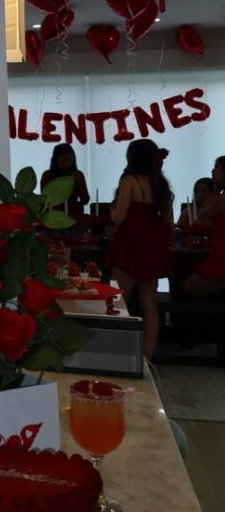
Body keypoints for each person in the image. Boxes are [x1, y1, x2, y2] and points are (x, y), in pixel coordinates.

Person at [109, 139, 173, 359]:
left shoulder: (130, 180)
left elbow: (118, 218)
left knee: (117, 300)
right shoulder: (160, 184)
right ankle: (147, 356)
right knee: (149, 304)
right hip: (152, 247)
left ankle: (117, 353)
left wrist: (111, 211)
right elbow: (169, 222)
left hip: (130, 245)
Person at [184, 156, 225, 295]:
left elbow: (201, 214)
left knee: (189, 286)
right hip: (219, 251)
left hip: (222, 254)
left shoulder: (221, 199)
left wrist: (215, 190)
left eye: (217, 167)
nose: (213, 171)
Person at [40, 143, 90, 217]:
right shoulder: (47, 175)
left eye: (71, 160)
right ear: (56, 160)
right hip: (53, 217)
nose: (68, 164)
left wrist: (78, 183)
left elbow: (85, 200)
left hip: (73, 217)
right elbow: (45, 200)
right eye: (64, 160)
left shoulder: (78, 175)